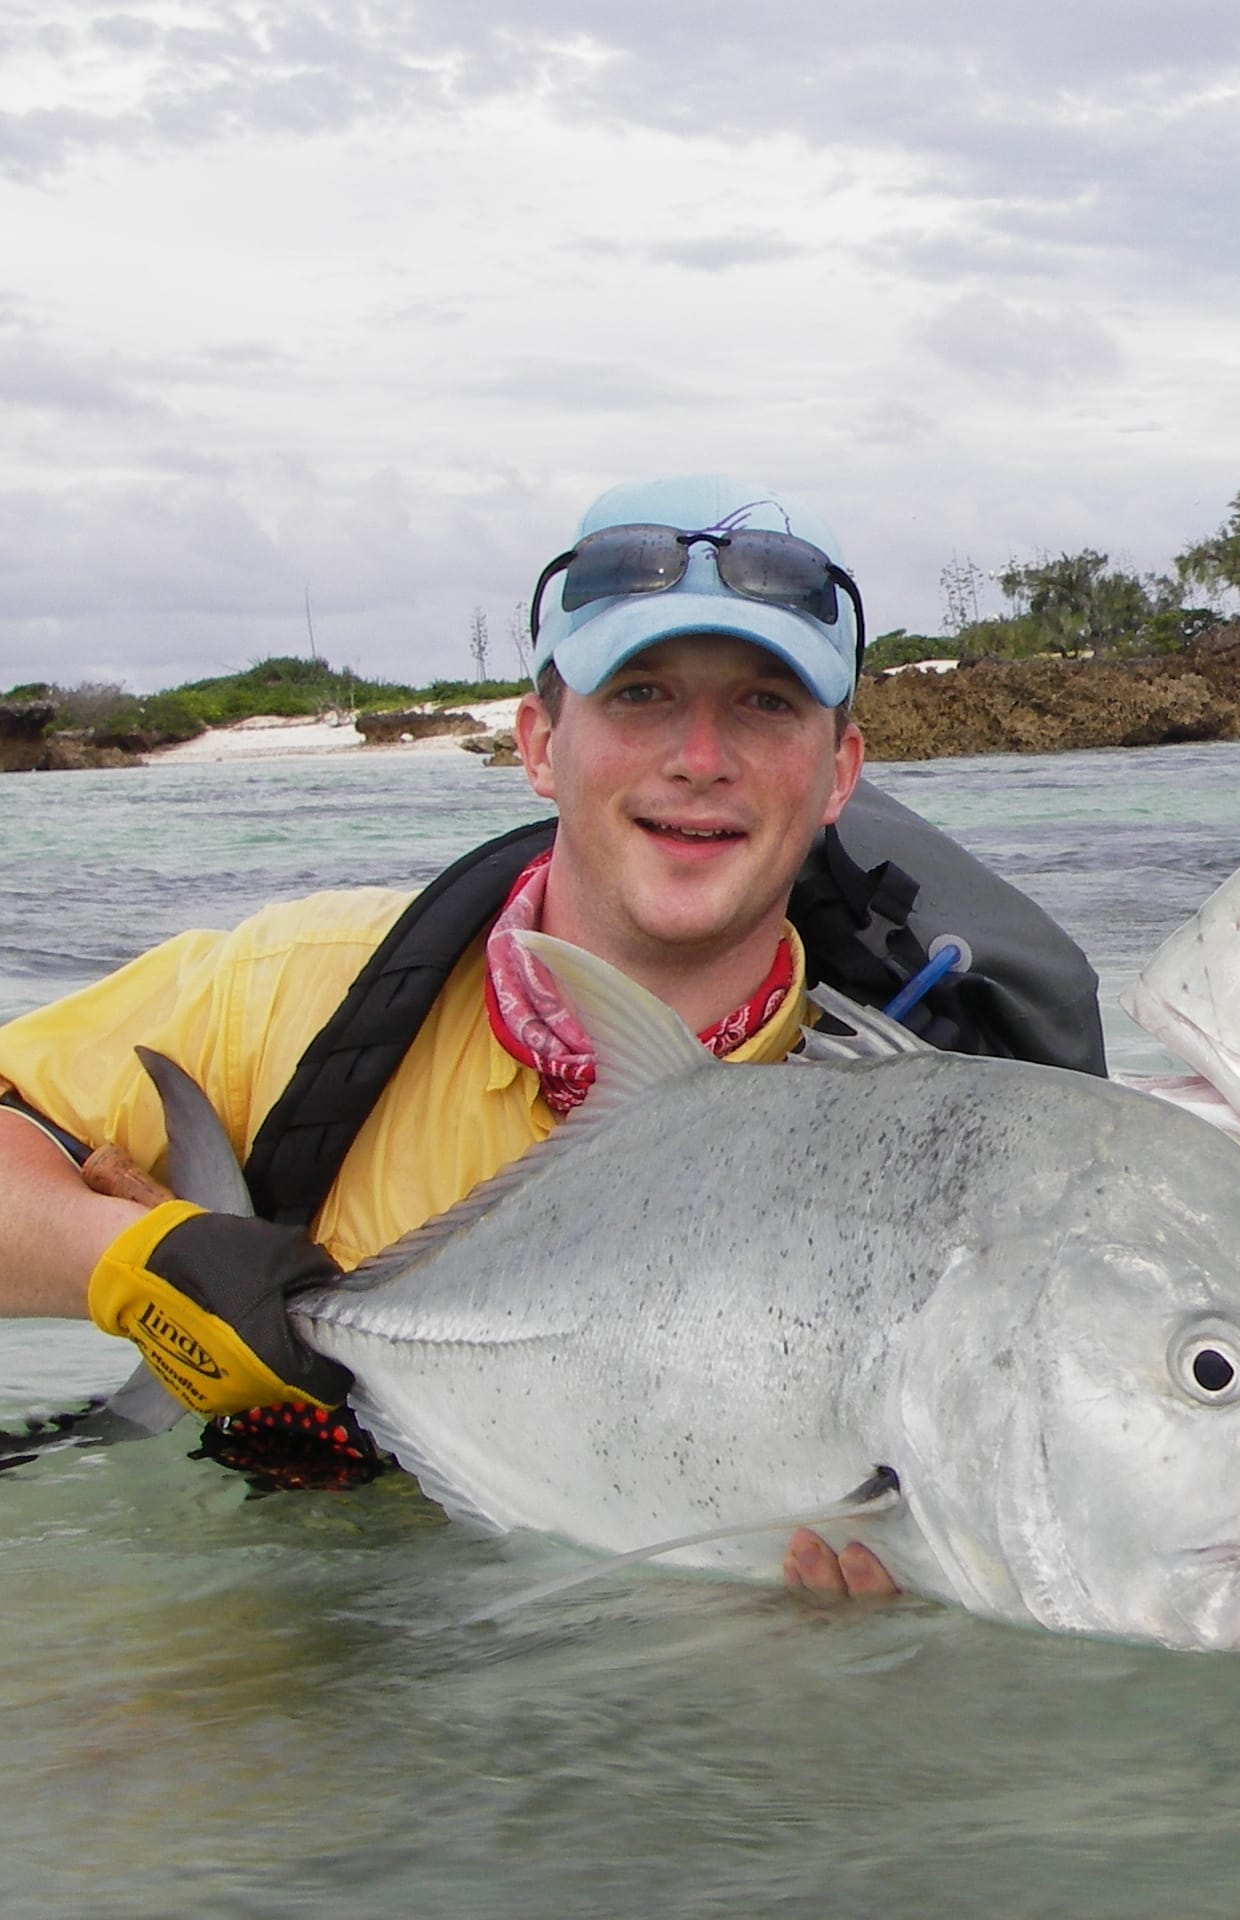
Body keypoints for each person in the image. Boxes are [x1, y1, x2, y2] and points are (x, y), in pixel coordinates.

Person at [0, 473, 1103, 1601]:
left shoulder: (925, 1134)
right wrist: (128, 1263)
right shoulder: (291, 995)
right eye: (640, 695)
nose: (701, 757)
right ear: (537, 744)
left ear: (841, 774)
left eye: (767, 704)